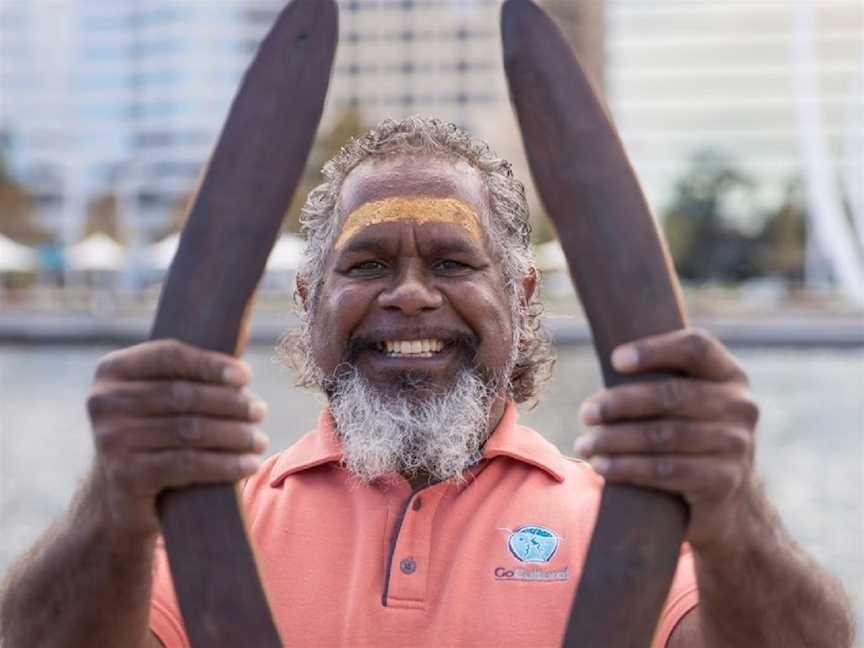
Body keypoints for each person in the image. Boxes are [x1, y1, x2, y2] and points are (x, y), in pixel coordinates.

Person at [0, 117, 853, 647]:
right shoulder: (217, 523)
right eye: (367, 263)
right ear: (309, 302)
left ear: (519, 299)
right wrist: (114, 499)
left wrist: (733, 510)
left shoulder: (621, 524)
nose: (410, 294)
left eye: (451, 261)